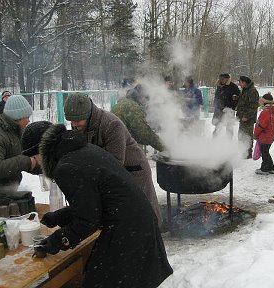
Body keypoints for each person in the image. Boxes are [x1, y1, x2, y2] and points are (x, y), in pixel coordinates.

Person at [21, 122, 173, 288]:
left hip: (127, 229)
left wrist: (56, 241)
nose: (36, 164)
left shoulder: (66, 167)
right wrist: (60, 216)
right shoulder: (81, 150)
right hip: (136, 221)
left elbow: (87, 221)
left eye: (34, 158)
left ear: (42, 150)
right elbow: (92, 202)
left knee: (101, 282)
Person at [64, 94, 163, 226]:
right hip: (112, 171)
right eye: (71, 121)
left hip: (134, 170)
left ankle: (153, 235)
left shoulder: (111, 124)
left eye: (77, 121)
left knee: (144, 211)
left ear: (88, 114)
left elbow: (115, 162)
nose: (74, 125)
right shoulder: (80, 124)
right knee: (126, 218)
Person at [0, 95, 37, 193]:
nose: (29, 121)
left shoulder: (16, 131)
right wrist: (26, 162)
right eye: (26, 117)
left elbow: (20, 156)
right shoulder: (0, 135)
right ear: (17, 117)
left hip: (8, 191)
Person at [111, 85, 164, 151]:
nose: (146, 102)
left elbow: (134, 132)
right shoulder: (132, 107)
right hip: (118, 145)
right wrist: (163, 147)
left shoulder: (125, 102)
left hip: (114, 141)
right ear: (141, 96)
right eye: (146, 98)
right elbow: (144, 132)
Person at [254, 93, 274, 175]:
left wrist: (256, 134)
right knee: (266, 151)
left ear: (264, 102)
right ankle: (271, 168)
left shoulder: (265, 113)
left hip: (264, 136)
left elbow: (260, 125)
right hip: (270, 136)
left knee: (264, 153)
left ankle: (264, 169)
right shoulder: (273, 111)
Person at [236, 76, 260, 159]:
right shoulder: (245, 90)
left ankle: (248, 153)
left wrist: (246, 116)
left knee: (247, 136)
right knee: (241, 135)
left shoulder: (252, 91)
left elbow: (254, 106)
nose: (239, 84)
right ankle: (242, 151)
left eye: (240, 82)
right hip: (242, 117)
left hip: (248, 119)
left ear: (244, 82)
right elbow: (244, 102)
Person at [212, 73, 241, 138]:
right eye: (220, 79)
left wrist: (231, 106)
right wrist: (215, 104)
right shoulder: (219, 86)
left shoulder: (233, 87)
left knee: (229, 127)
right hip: (219, 109)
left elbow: (238, 98)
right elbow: (217, 97)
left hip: (229, 110)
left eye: (223, 79)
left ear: (227, 79)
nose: (221, 80)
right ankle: (214, 140)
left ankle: (229, 141)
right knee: (217, 126)